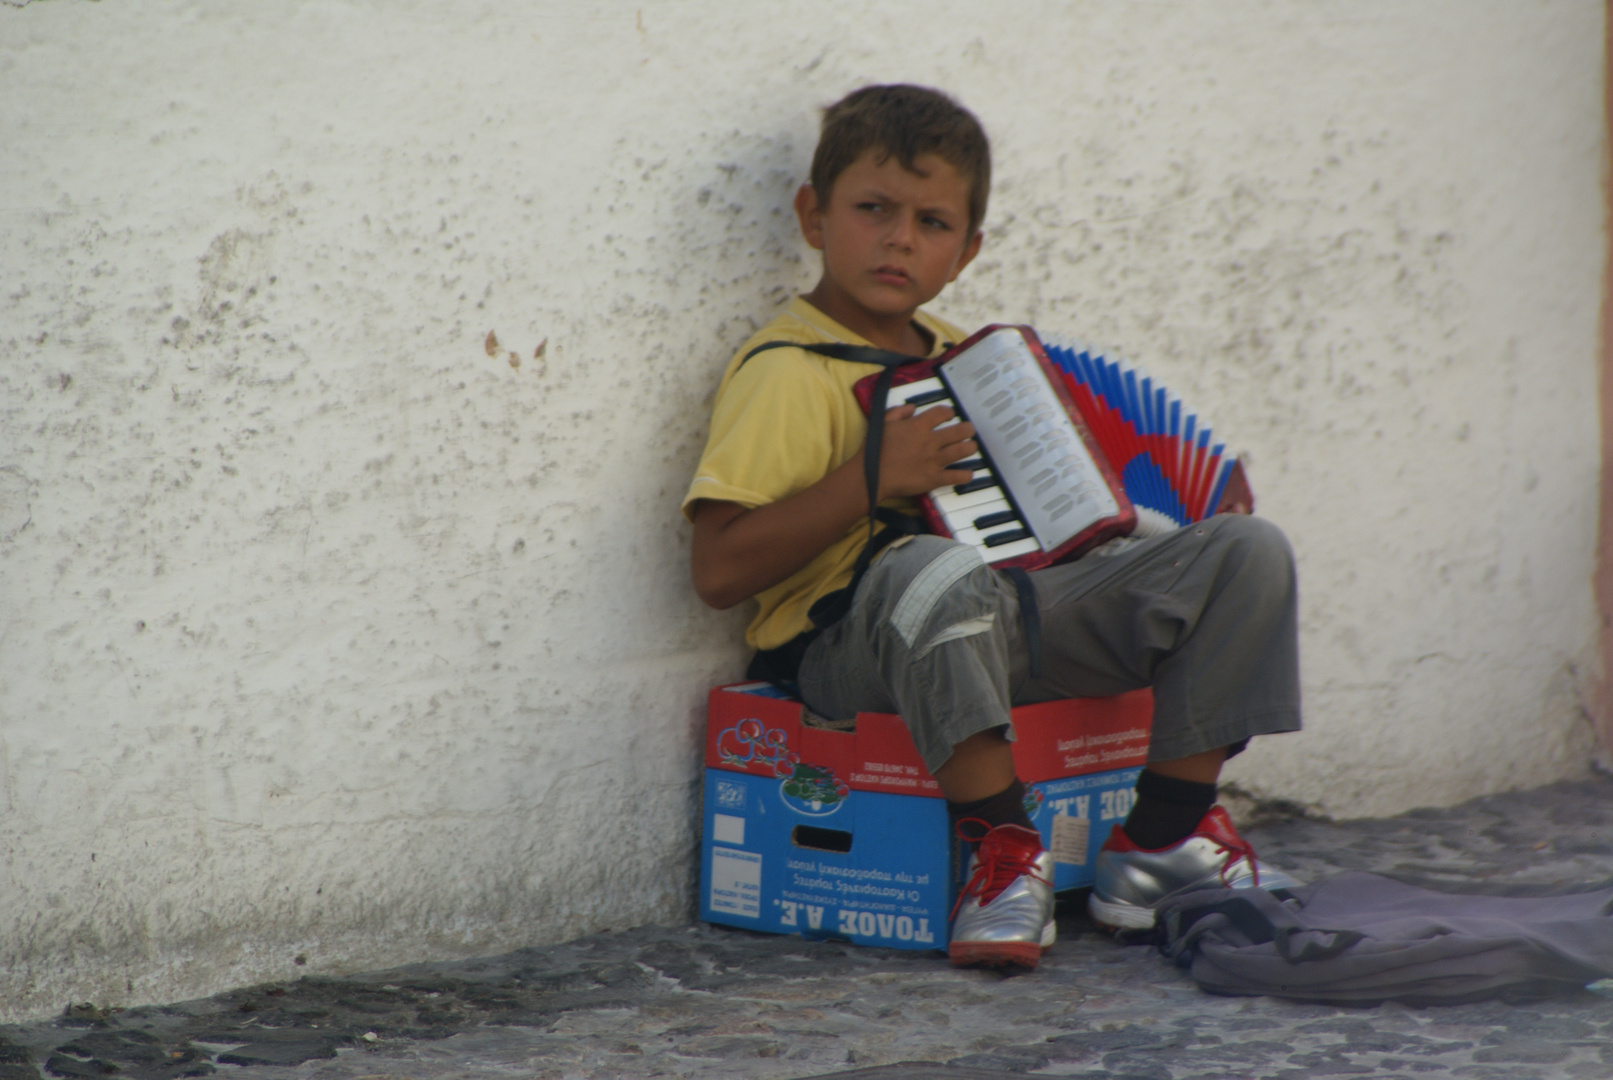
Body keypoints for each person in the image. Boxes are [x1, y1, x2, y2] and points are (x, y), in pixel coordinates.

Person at [683, 84, 1301, 970]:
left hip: (1000, 618)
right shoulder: (786, 372)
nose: (899, 239)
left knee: (1245, 554)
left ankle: (1159, 842)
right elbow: (717, 571)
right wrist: (871, 478)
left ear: (965, 251)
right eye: (872, 210)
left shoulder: (964, 358)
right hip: (853, 650)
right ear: (813, 216)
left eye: (931, 223)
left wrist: (1142, 537)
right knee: (928, 564)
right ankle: (1001, 851)